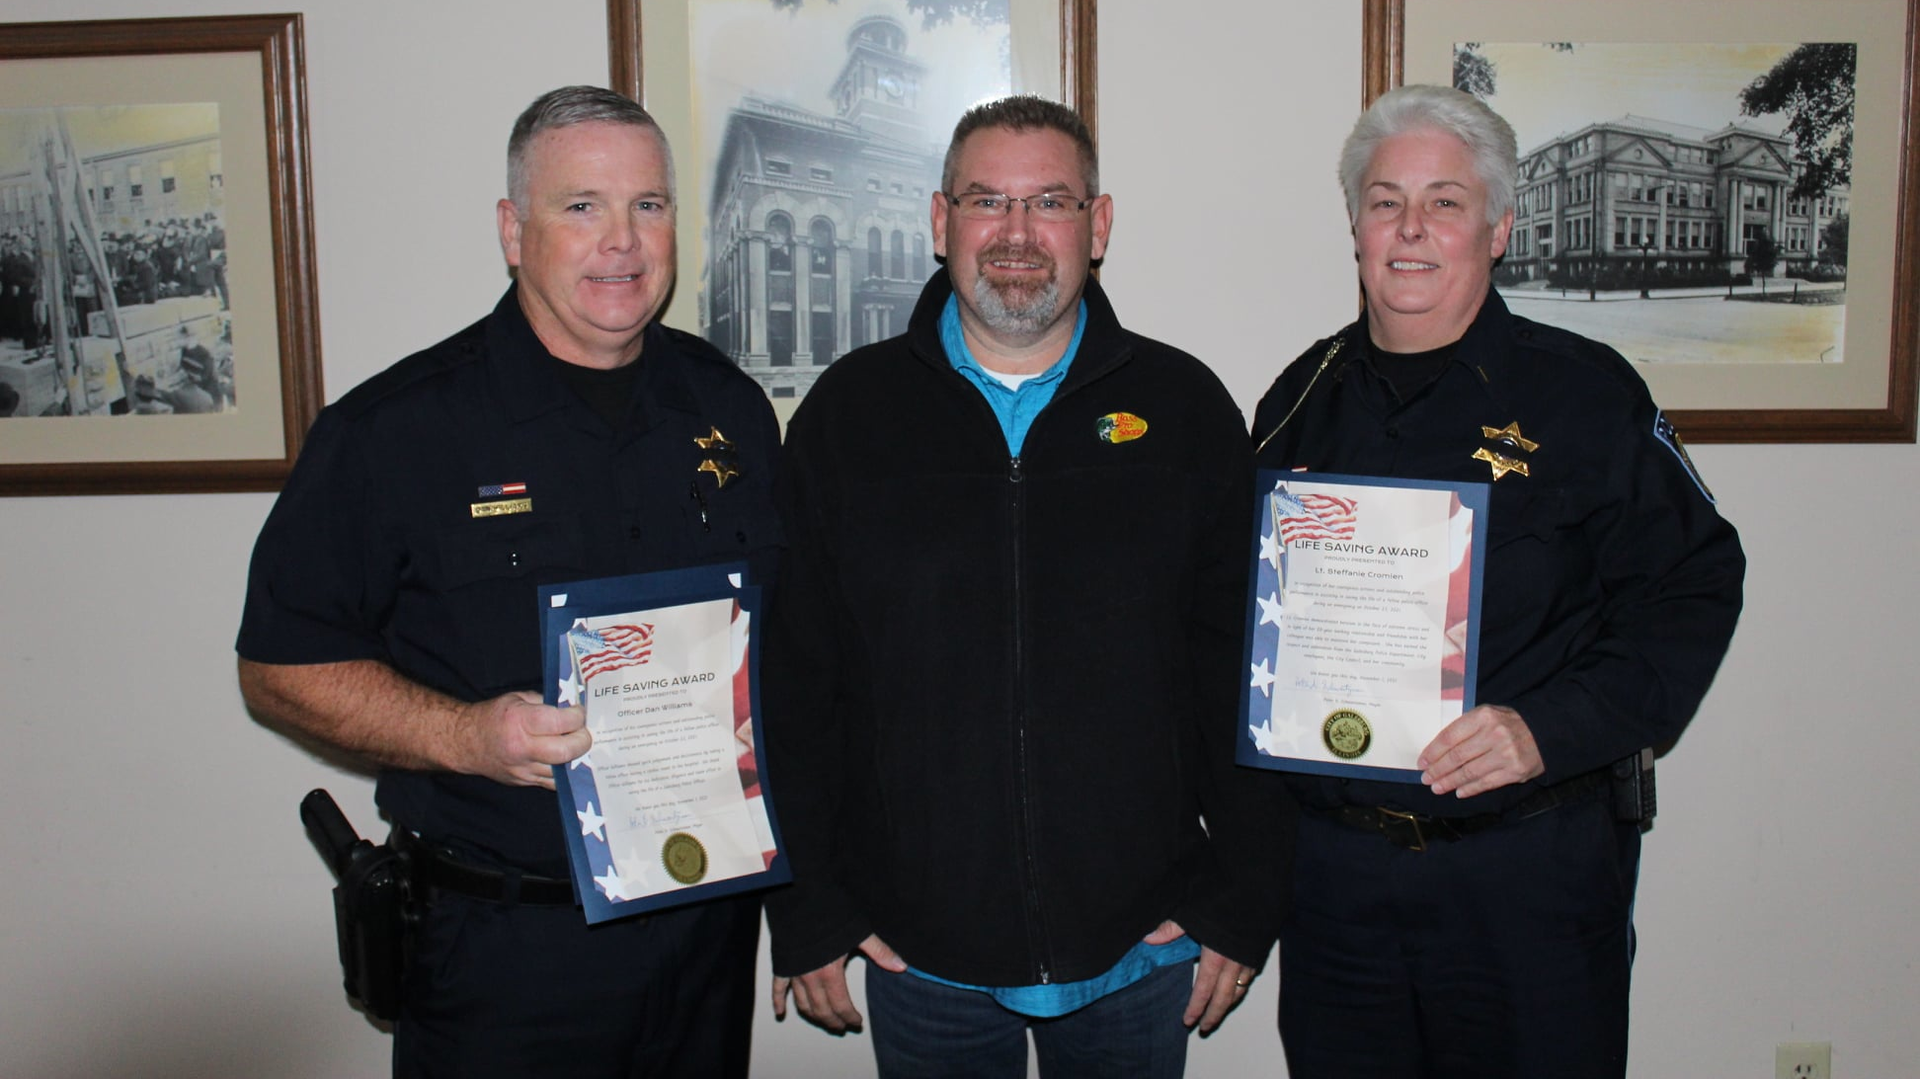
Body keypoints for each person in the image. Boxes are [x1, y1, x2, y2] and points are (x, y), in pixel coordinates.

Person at [236, 85, 779, 1079]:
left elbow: (781, 638)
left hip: (703, 935)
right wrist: (467, 734)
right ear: (512, 230)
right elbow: (278, 665)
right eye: (581, 207)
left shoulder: (728, 407)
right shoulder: (394, 432)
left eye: (647, 206)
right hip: (503, 950)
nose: (621, 241)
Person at [764, 95, 1292, 1078]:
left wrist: (1245, 895)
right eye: (985, 202)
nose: (1015, 234)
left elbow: (1250, 672)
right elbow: (796, 686)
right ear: (939, 222)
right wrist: (807, 904)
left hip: (1143, 948)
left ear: (1097, 226)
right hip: (921, 953)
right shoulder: (849, 417)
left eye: (1049, 202)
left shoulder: (1184, 411)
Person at [1252, 84, 1745, 1079]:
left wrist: (1544, 727)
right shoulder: (1299, 396)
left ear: (1501, 227)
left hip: (1527, 876)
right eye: (1386, 200)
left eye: (1446, 201)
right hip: (1339, 887)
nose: (1411, 228)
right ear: (1355, 225)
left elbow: (1694, 583)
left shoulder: (1584, 392)